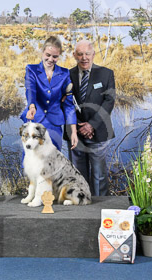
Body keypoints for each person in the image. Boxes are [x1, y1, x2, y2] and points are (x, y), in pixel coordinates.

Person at [65, 40, 115, 196]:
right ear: (74, 55)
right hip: (75, 133)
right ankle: (82, 203)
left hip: (98, 132)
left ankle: (99, 205)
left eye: (87, 54)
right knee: (78, 175)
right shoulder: (67, 75)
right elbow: (65, 103)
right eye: (80, 54)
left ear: (93, 54)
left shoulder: (106, 74)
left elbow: (109, 102)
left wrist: (91, 125)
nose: (84, 58)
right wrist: (80, 126)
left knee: (99, 176)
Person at [20, 36, 77, 150]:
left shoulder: (65, 73)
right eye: (48, 55)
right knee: (31, 157)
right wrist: (32, 107)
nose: (50, 59)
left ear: (59, 56)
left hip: (54, 124)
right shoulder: (31, 69)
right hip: (35, 119)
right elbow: (31, 90)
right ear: (42, 52)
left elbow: (69, 104)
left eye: (55, 56)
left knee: (54, 157)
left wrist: (73, 131)